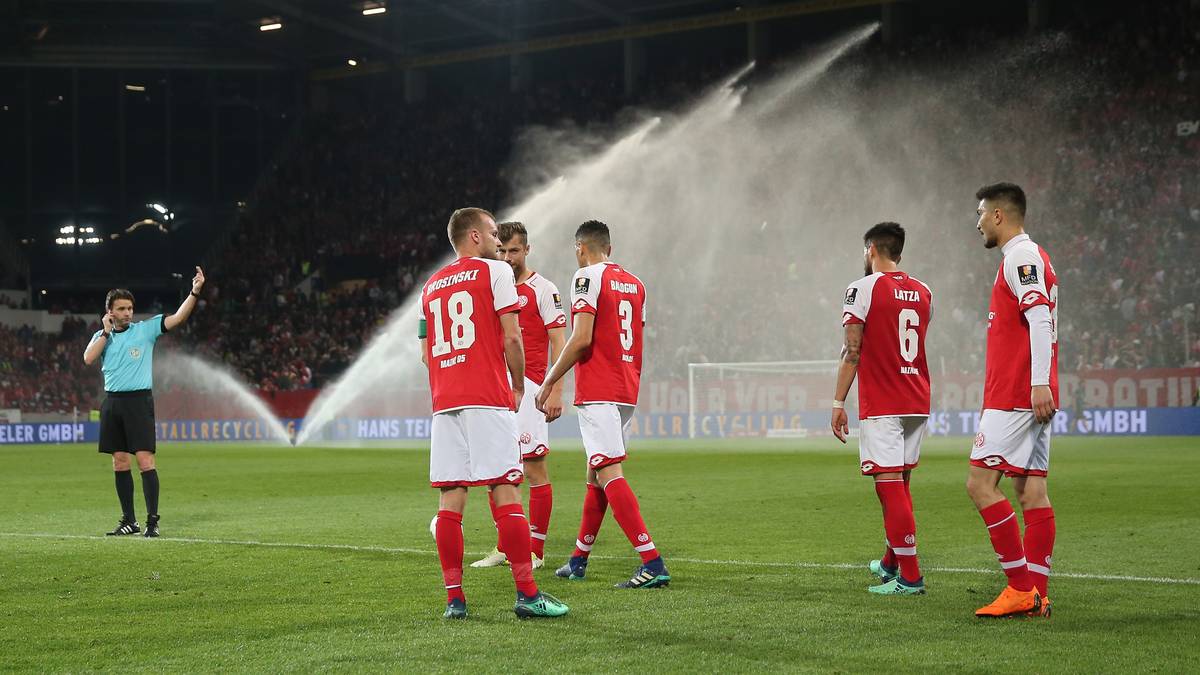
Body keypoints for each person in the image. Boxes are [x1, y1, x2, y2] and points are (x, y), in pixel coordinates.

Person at [418, 207, 568, 620]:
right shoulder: (496, 272)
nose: (498, 240)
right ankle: (528, 594)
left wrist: (448, 382)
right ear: (473, 237)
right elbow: (512, 336)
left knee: (451, 499)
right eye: (490, 232)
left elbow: (424, 352)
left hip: (445, 401)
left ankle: (454, 600)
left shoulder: (430, 285)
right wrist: (518, 385)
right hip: (487, 396)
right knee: (506, 490)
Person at [536, 220, 670, 589]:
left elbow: (581, 339)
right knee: (595, 474)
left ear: (580, 248)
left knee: (609, 472)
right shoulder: (636, 284)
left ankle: (652, 562)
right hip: (626, 388)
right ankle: (578, 559)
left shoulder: (585, 279)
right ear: (609, 248)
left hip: (598, 387)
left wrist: (550, 380)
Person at [966, 183, 1058, 618]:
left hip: (1016, 394)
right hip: (1029, 392)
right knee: (1031, 491)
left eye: (981, 213)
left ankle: (1020, 588)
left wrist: (1038, 382)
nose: (978, 221)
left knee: (980, 485)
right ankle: (1036, 593)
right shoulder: (1032, 257)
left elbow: (1039, 317)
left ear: (999, 216)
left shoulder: (1021, 256)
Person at [831, 222, 932, 595]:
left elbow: (853, 350)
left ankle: (910, 576)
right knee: (899, 482)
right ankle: (891, 562)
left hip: (884, 401)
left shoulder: (862, 288)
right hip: (916, 398)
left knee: (888, 485)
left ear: (871, 248)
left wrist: (838, 401)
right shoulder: (924, 292)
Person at [82, 267, 206, 538]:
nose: (128, 313)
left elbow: (178, 318)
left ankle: (152, 521)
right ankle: (129, 521)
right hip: (113, 402)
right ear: (110, 312)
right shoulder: (102, 337)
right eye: (122, 309)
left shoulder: (145, 330)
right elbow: (89, 359)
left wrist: (194, 291)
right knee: (119, 462)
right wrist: (104, 333)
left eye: (130, 308)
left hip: (138, 402)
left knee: (145, 460)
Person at [472, 221, 567, 570]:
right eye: (502, 250)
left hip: (531, 389)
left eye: (514, 251)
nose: (507, 257)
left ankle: (535, 551)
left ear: (527, 250)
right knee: (498, 470)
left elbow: (560, 341)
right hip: (496, 390)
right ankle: (504, 547)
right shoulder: (493, 285)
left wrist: (556, 387)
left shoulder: (543, 289)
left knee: (533, 469)